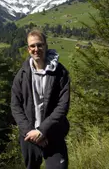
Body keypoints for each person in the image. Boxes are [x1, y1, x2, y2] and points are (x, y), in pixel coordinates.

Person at [11, 29, 70, 169]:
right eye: (32, 46)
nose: (36, 49)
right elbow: (15, 106)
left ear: (45, 46)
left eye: (39, 45)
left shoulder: (60, 72)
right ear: (28, 49)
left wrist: (42, 131)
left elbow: (63, 106)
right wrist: (30, 132)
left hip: (53, 134)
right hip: (29, 137)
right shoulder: (22, 75)